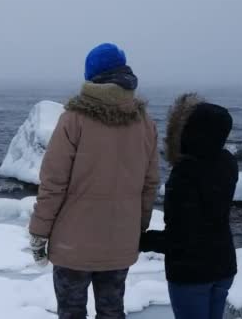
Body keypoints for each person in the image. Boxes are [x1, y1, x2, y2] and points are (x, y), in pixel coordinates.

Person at [29, 43, 160, 319]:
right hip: (119, 245)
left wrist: (39, 233)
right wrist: (136, 228)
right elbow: (150, 185)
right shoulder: (144, 122)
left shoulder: (73, 120)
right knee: (112, 312)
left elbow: (53, 183)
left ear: (91, 76)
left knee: (72, 312)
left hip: (71, 247)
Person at [140, 94, 238, 319]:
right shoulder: (228, 163)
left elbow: (182, 237)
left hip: (192, 273)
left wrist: (143, 241)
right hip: (224, 265)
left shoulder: (185, 174)